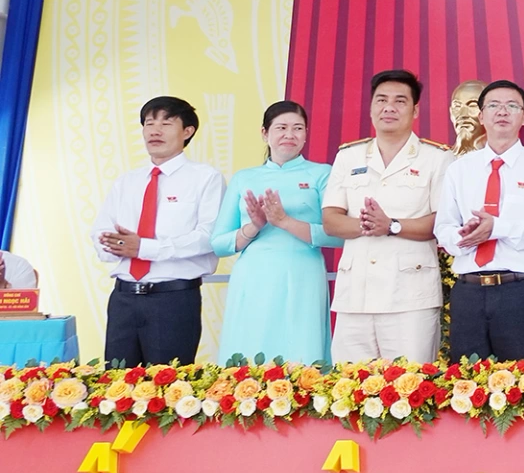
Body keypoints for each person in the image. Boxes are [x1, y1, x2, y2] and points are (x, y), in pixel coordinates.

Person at [321, 69, 452, 364]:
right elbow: (331, 219)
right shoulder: (349, 156)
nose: (389, 108)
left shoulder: (437, 157)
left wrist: (391, 226)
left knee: (411, 390)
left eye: (400, 101)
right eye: (381, 100)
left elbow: (440, 222)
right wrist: (369, 225)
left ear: (415, 110)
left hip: (409, 297)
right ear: (370, 108)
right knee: (349, 391)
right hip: (355, 295)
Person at [435, 79, 524, 361]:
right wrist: (465, 235)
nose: (502, 112)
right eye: (493, 105)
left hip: (521, 292)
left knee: (522, 386)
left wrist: (498, 228)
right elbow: (443, 227)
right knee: (467, 386)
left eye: (512, 106)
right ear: (481, 116)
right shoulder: (459, 170)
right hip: (468, 293)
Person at [92, 96, 224, 366]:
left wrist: (144, 247)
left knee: (169, 390)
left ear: (187, 131)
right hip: (123, 299)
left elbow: (208, 237)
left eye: (166, 122)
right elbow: (100, 230)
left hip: (173, 300)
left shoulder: (205, 178)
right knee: (116, 391)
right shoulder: (126, 181)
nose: (155, 130)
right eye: (149, 123)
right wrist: (110, 243)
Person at [213, 100, 341, 365]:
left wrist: (285, 221)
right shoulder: (244, 177)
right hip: (254, 276)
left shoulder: (323, 174)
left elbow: (338, 235)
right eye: (281, 127)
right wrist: (254, 226)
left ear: (306, 134)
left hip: (303, 275)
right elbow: (219, 243)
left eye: (298, 128)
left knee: (302, 354)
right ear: (264, 133)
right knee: (249, 351)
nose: (289, 135)